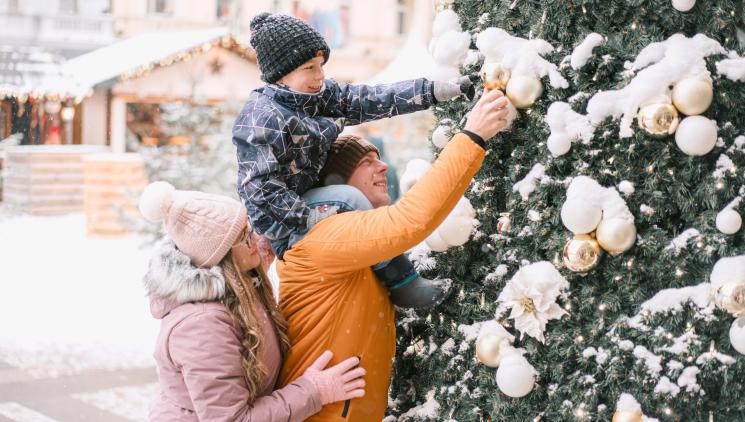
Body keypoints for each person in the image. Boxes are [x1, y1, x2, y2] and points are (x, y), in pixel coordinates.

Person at [275, 88, 512, 421]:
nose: (384, 166)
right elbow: (411, 222)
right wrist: (472, 136)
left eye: (378, 158)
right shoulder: (325, 236)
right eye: (366, 162)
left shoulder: (361, 245)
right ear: (337, 183)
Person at [233, 12, 474, 309]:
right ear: (280, 76)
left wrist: (433, 91)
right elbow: (258, 189)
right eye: (309, 68)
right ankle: (401, 282)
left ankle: (386, 270)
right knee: (349, 198)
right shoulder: (263, 118)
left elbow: (372, 99)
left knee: (354, 198)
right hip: (283, 224)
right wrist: (305, 218)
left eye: (321, 65)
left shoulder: (319, 96)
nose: (319, 75)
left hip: (305, 200)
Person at [137, 181, 367, 421]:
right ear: (221, 259)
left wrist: (257, 264)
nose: (255, 239)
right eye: (244, 237)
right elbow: (233, 419)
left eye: (249, 228)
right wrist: (313, 391)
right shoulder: (202, 326)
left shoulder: (236, 288)